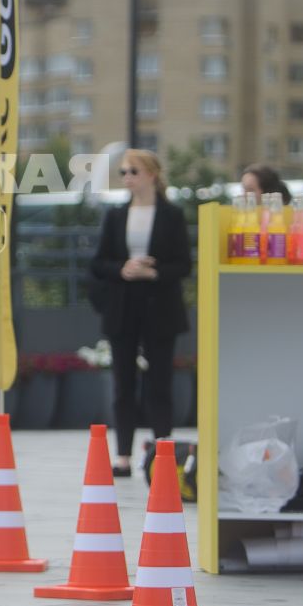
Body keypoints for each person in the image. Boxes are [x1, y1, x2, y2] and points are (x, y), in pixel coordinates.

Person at [88, 149, 192, 477]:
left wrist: (154, 272)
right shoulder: (116, 215)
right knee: (123, 382)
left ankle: (162, 452)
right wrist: (124, 268)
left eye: (133, 171)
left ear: (151, 174)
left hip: (160, 305)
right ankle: (122, 456)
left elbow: (184, 264)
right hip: (122, 306)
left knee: (159, 382)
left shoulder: (172, 215)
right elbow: (99, 262)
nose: (127, 178)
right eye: (123, 172)